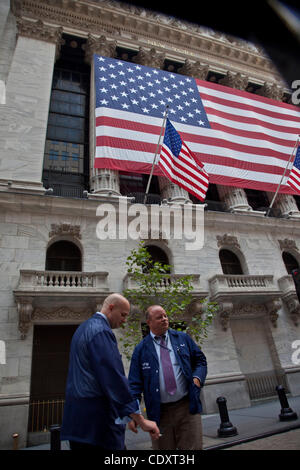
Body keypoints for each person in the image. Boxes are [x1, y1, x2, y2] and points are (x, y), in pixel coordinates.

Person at [60, 293, 160, 450]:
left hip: (79, 423)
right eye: (123, 314)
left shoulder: (82, 328)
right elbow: (113, 377)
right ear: (111, 307)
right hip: (98, 425)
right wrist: (140, 419)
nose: (124, 320)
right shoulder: (101, 331)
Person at [128, 304, 207, 450]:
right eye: (159, 317)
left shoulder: (182, 338)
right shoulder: (141, 349)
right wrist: (133, 414)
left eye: (165, 316)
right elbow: (134, 385)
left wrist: (197, 379)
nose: (164, 319)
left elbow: (201, 361)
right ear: (149, 322)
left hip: (187, 408)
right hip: (159, 413)